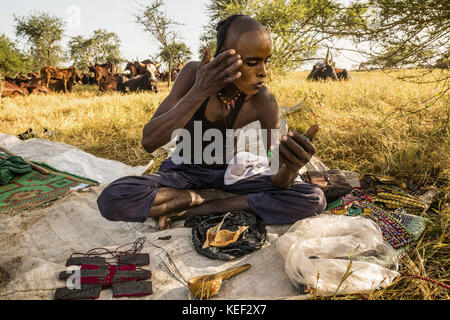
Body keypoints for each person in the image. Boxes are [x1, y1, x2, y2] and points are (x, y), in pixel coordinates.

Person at [97, 14, 326, 229]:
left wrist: (290, 167)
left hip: (230, 175)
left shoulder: (263, 101)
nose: (263, 72)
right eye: (253, 62)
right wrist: (199, 91)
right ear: (225, 57)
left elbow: (275, 173)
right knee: (114, 198)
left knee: (312, 197)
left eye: (266, 61)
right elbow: (149, 141)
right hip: (184, 172)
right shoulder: (193, 73)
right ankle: (209, 198)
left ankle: (198, 205)